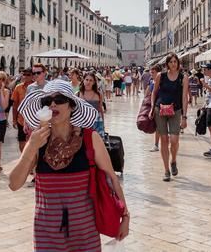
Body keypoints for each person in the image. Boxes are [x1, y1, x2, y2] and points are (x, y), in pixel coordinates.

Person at [10, 80, 130, 251]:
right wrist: (31, 146)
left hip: (85, 232)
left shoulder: (90, 138)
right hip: (47, 232)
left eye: (59, 99)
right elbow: (14, 184)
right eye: (47, 101)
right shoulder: (37, 142)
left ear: (72, 106)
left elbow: (112, 178)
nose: (52, 104)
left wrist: (125, 217)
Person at [149, 53, 188, 182]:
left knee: (174, 140)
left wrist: (184, 116)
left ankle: (174, 160)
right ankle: (166, 170)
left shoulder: (183, 77)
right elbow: (154, 92)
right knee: (164, 139)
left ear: (178, 63)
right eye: (170, 62)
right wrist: (151, 108)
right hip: (160, 110)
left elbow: (184, 97)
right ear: (167, 64)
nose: (173, 64)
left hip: (175, 110)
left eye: (175, 62)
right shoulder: (161, 76)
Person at [12, 68, 34, 153]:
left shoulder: (36, 87)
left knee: (32, 141)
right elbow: (15, 105)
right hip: (21, 119)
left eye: (28, 75)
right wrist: (14, 120)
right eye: (24, 74)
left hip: (34, 120)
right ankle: (23, 158)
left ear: (32, 76)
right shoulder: (18, 87)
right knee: (21, 141)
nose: (26, 76)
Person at [78, 72, 105, 136]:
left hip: (96, 123)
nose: (88, 82)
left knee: (96, 144)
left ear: (94, 82)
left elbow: (100, 109)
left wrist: (103, 123)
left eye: (91, 80)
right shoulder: (78, 94)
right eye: (86, 80)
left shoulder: (99, 94)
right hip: (82, 123)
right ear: (83, 80)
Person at [147, 65, 161, 152]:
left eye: (153, 72)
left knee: (160, 127)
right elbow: (149, 92)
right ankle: (156, 145)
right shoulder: (151, 81)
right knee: (157, 127)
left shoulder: (162, 82)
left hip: (162, 105)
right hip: (154, 106)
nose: (151, 74)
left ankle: (164, 144)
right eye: (150, 72)